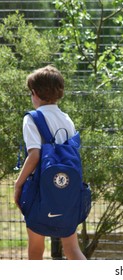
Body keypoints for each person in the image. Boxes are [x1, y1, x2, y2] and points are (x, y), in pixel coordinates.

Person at [14, 65, 86, 260]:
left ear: (35, 93)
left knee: (36, 249)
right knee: (72, 248)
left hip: (40, 191)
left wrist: (18, 184)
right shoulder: (66, 119)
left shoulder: (32, 119)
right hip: (67, 189)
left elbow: (34, 155)